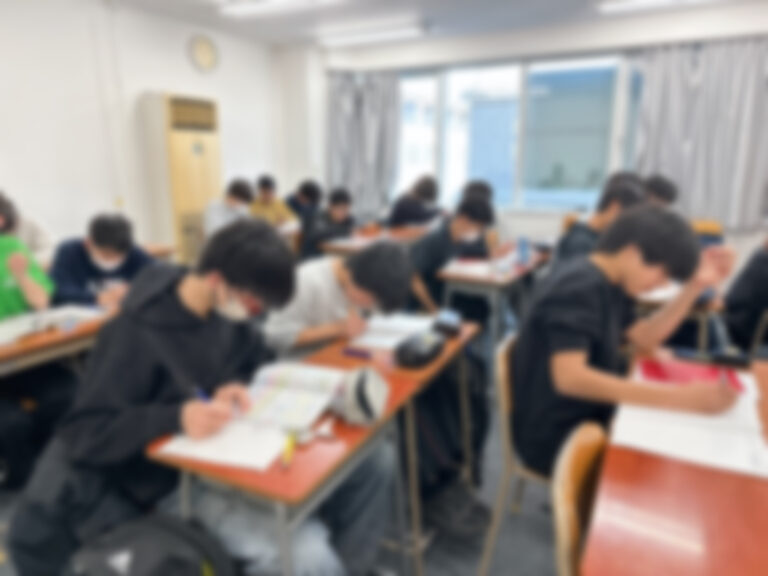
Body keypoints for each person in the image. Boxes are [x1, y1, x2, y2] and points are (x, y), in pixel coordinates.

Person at [9, 220, 396, 576]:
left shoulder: (226, 315)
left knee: (376, 462)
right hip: (170, 480)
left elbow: (253, 359)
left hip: (228, 448)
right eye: (253, 304)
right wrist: (175, 417)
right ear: (216, 279)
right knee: (306, 555)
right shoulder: (132, 333)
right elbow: (85, 431)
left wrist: (234, 385)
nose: (254, 314)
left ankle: (354, 568)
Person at [512, 205, 737, 476]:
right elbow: (570, 378)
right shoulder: (578, 288)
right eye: (663, 274)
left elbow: (646, 337)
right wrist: (680, 398)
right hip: (557, 434)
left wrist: (695, 287)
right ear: (632, 252)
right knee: (672, 465)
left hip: (587, 412)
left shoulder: (612, 282)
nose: (663, 285)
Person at [0, 192, 75, 489]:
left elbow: (42, 302)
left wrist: (21, 275)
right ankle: (21, 481)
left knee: (67, 394)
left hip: (25, 356)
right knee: (12, 423)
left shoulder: (14, 248)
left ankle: (50, 468)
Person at [266, 241, 411, 355]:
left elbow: (374, 314)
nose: (370, 305)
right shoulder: (306, 280)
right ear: (353, 276)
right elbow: (275, 337)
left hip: (346, 353)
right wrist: (337, 328)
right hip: (305, 363)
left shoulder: (365, 280)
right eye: (370, 299)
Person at [409, 196, 495, 313]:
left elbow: (481, 254)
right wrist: (435, 311)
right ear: (463, 219)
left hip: (448, 291)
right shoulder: (434, 240)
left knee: (481, 306)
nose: (480, 232)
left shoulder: (462, 240)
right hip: (429, 299)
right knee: (475, 310)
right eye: (479, 227)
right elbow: (414, 280)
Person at [50, 214, 153, 312]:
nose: (113, 259)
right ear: (88, 243)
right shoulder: (69, 252)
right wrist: (96, 298)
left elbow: (158, 280)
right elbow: (56, 293)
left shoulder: (133, 252)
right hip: (82, 319)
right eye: (106, 255)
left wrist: (135, 292)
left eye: (119, 255)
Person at [554, 174, 646, 264]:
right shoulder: (580, 244)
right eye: (629, 219)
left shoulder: (589, 237)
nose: (628, 227)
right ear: (615, 207)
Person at [725, 239, 768, 351]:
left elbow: (732, 299)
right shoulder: (761, 262)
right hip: (750, 331)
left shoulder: (759, 261)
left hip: (740, 329)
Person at [301, 188, 356, 260]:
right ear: (330, 207)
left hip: (334, 257)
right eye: (340, 209)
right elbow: (319, 234)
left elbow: (351, 232)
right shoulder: (318, 217)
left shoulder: (347, 220)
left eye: (346, 209)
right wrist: (346, 231)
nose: (343, 213)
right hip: (313, 259)